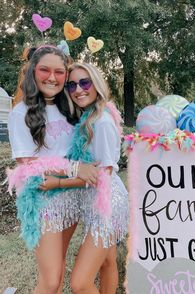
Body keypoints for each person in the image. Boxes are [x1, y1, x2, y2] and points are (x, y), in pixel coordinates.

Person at [8, 46, 99, 294]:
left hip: (69, 199)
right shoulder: (20, 113)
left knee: (57, 275)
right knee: (49, 282)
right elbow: (28, 166)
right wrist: (75, 168)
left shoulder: (68, 108)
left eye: (60, 72)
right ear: (32, 72)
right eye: (44, 70)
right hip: (43, 202)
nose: (52, 77)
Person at [40, 62, 129, 294]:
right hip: (91, 201)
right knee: (108, 262)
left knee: (80, 283)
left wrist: (58, 182)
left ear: (96, 84)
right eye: (71, 85)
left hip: (108, 203)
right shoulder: (87, 117)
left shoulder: (102, 122)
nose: (78, 89)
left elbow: (104, 175)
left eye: (85, 82)